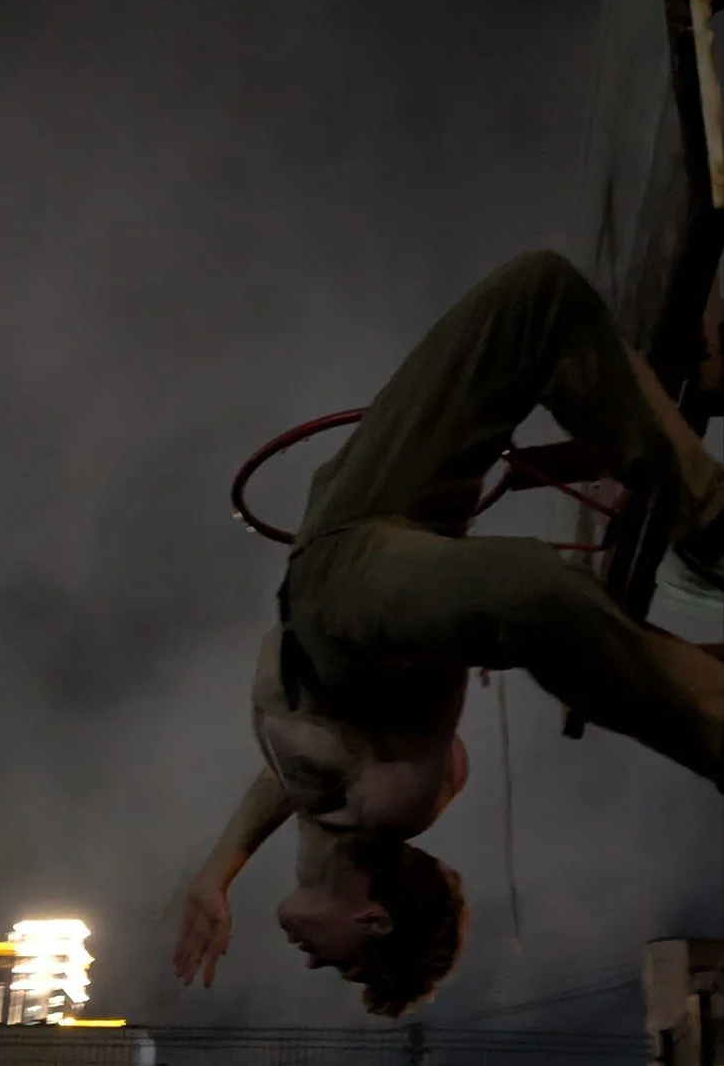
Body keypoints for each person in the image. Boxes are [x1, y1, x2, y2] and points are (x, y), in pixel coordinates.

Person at [173, 251, 724, 1017]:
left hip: (335, 537)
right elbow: (516, 610)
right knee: (534, 593)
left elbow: (285, 772)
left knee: (534, 296)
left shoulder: (325, 805)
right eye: (348, 968)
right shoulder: (395, 798)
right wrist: (461, 611)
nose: (316, 964)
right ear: (374, 920)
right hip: (347, 595)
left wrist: (216, 872)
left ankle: (709, 520)